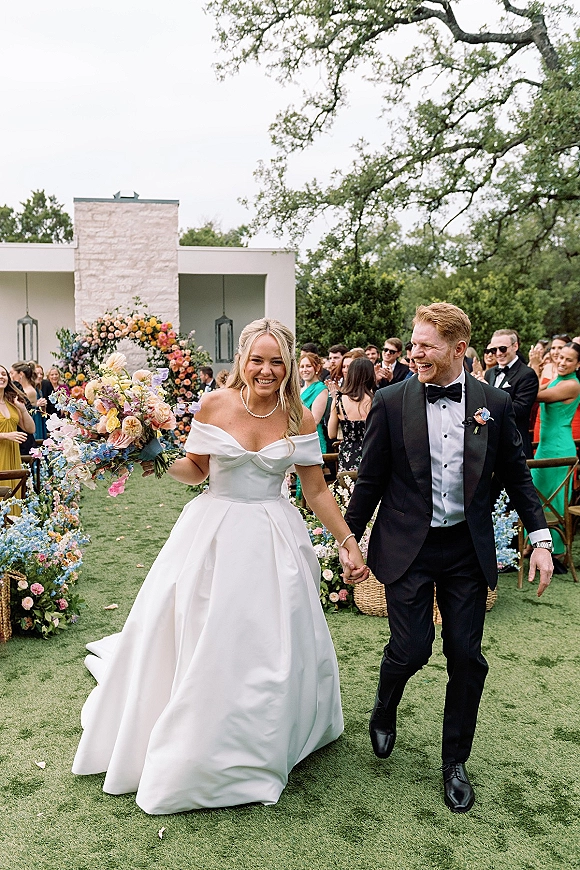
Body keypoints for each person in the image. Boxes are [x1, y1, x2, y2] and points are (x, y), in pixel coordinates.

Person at [72, 318, 368, 814]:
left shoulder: (299, 416)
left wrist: (346, 541)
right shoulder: (214, 404)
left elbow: (314, 489)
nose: (267, 370)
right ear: (242, 361)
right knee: (205, 628)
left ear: (290, 365)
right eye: (258, 359)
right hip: (211, 529)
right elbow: (197, 470)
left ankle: (264, 734)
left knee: (268, 637)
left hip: (273, 535)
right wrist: (153, 452)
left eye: (277, 361)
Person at [344, 303, 552, 813]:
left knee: (466, 657)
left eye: (426, 345)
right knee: (412, 649)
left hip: (466, 549)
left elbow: (519, 478)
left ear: (459, 349)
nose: (414, 353)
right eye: (412, 343)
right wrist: (348, 541)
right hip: (406, 547)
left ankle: (454, 762)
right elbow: (369, 480)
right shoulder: (391, 402)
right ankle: (385, 704)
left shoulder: (494, 404)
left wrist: (542, 539)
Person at [531, 342, 580, 558]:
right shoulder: (556, 380)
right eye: (559, 357)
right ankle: (535, 545)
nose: (561, 362)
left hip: (559, 448)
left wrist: (533, 366)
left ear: (578, 365)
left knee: (555, 498)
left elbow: (535, 395)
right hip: (545, 446)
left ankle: (556, 549)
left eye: (568, 360)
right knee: (536, 494)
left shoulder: (572, 384)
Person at [484, 330, 538, 458]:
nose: (498, 354)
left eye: (502, 349)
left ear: (515, 346)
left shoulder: (527, 374)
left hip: (515, 444)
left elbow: (520, 409)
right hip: (491, 445)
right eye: (493, 350)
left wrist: (490, 393)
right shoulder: (490, 373)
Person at [327, 357, 375, 472]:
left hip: (348, 455)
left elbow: (331, 433)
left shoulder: (339, 400)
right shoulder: (376, 400)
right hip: (372, 453)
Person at [0, 365, 36, 515]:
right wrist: (5, 435)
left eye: (3, 374)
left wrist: (22, 409)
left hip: (12, 456)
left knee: (12, 496)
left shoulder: (11, 403)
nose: (1, 377)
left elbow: (31, 429)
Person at [298, 352, 329, 453]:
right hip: (297, 438)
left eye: (308, 366)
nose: (304, 370)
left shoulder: (321, 389)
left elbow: (315, 420)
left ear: (317, 368)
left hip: (312, 439)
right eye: (302, 366)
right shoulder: (299, 389)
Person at [9, 361, 42, 450]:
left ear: (21, 374)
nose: (10, 376)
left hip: (28, 422)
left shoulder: (28, 391)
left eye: (12, 373)